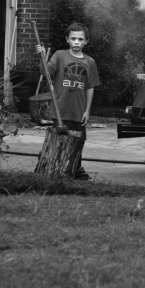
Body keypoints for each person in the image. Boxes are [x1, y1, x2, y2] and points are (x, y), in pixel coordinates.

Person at [36, 22, 100, 179]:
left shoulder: (90, 62)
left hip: (78, 111)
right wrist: (42, 56)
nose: (76, 42)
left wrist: (87, 110)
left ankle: (75, 168)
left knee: (79, 141)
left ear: (86, 41)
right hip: (60, 110)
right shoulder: (59, 55)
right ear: (67, 40)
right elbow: (45, 72)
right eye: (73, 39)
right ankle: (54, 167)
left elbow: (90, 87)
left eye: (80, 39)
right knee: (59, 140)